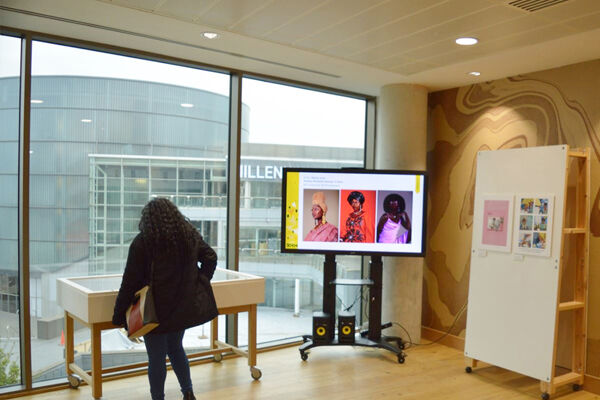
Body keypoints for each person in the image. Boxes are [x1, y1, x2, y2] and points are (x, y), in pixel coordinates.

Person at [112, 198, 217, 400]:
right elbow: (210, 257)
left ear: (147, 219)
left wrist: (118, 315)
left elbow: (129, 282)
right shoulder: (188, 236)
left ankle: (158, 397)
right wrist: (199, 281)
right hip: (181, 306)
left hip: (154, 309)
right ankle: (188, 392)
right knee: (176, 348)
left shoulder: (143, 242)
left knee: (156, 357)